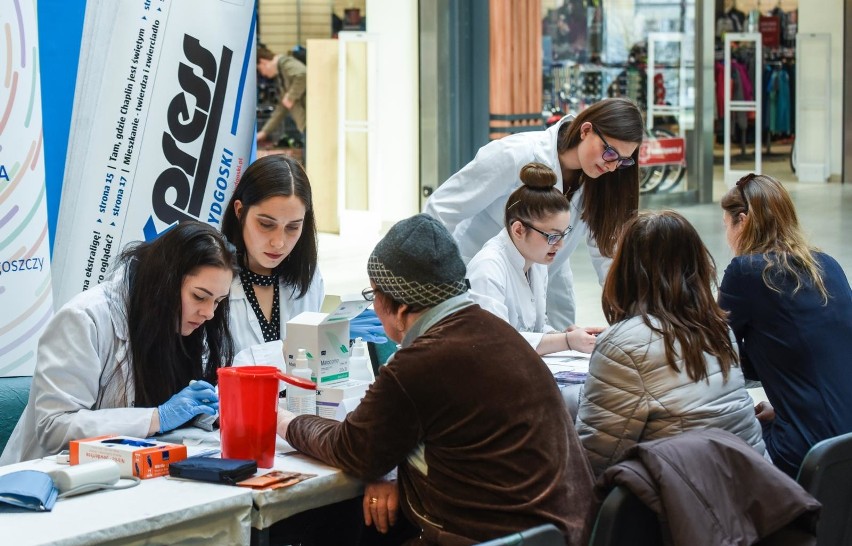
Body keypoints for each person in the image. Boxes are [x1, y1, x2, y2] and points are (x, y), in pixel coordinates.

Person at [277, 214, 596, 545]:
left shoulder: (419, 363)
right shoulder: (500, 333)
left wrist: (284, 420)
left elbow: (353, 448)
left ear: (398, 307)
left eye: (374, 296)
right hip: (566, 533)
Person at [1, 222, 236, 464]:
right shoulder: (84, 319)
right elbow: (55, 428)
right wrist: (157, 418)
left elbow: (174, 402)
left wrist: (206, 412)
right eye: (199, 296)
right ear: (164, 280)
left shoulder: (186, 323)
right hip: (48, 482)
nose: (209, 313)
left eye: (218, 301)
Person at [424, 97, 645, 330]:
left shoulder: (602, 182)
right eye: (609, 152)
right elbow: (442, 209)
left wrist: (634, 319)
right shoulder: (516, 154)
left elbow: (607, 254)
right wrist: (437, 287)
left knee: (557, 350)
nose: (611, 166)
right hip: (478, 277)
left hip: (545, 279)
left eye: (622, 161)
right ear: (586, 130)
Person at [575, 210, 765, 477]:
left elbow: (595, 461)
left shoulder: (621, 347)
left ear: (626, 269)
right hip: (752, 494)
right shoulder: (719, 329)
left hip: (687, 503)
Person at [718, 173, 852, 478]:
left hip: (805, 453)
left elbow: (712, 351)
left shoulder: (746, 272)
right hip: (843, 445)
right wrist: (785, 408)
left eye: (726, 226)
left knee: (705, 453)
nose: (727, 237)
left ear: (743, 220)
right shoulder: (827, 265)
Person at [467, 162, 600, 355]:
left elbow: (533, 328)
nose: (560, 245)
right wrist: (565, 341)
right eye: (553, 236)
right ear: (519, 230)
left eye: (564, 234)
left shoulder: (535, 261)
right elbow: (495, 341)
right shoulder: (487, 268)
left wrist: (561, 335)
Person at [220, 154, 324, 353]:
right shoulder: (212, 279)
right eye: (266, 224)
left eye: (293, 227)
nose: (278, 243)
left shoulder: (308, 275)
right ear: (240, 211)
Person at [256, 45, 307, 148]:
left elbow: (303, 74)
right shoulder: (281, 76)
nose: (263, 74)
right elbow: (282, 108)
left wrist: (290, 97)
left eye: (260, 70)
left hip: (311, 123)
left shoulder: (285, 63)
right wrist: (265, 132)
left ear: (263, 62)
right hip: (306, 125)